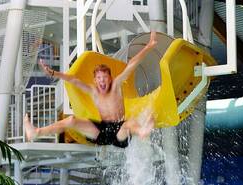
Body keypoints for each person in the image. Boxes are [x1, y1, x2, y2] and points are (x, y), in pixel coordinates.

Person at [24, 31, 157, 148]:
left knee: (129, 123)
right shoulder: (94, 91)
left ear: (110, 78)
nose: (102, 81)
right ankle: (36, 132)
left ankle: (141, 131)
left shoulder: (116, 85)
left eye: (105, 77)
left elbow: (131, 65)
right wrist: (54, 73)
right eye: (99, 78)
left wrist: (149, 46)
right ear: (95, 80)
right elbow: (73, 80)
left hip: (120, 132)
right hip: (102, 131)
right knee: (71, 121)